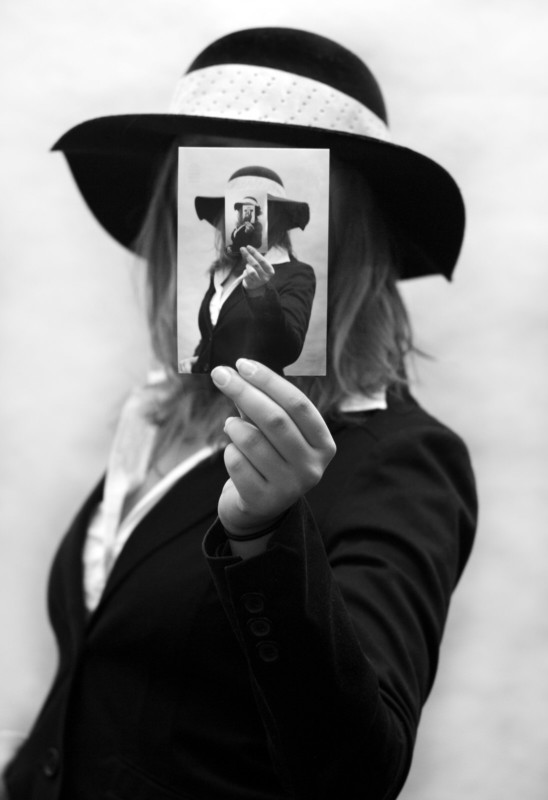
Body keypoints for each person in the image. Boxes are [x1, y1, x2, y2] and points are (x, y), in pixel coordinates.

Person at [2, 27, 477, 800]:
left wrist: (266, 538)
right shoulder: (160, 413)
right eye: (216, 201)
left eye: (263, 203)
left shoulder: (398, 458)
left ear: (338, 231)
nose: (236, 222)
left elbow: (359, 771)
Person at [181, 164, 316, 375]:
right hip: (206, 396)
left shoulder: (297, 274)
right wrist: (200, 362)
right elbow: (215, 333)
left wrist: (260, 293)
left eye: (254, 210)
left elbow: (286, 351)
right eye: (237, 208)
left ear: (275, 217)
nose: (245, 218)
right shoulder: (222, 270)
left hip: (252, 398)